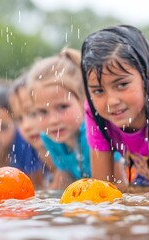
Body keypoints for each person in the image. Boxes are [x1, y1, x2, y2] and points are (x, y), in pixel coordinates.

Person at [81, 25, 149, 192]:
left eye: (122, 84)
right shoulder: (95, 111)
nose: (111, 101)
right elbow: (101, 192)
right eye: (98, 90)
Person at [27, 48, 126, 190]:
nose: (53, 120)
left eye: (62, 107)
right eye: (42, 111)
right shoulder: (49, 137)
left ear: (85, 100)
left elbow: (121, 184)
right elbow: (65, 177)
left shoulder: (94, 132)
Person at [9, 73, 57, 189]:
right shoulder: (29, 151)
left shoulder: (72, 148)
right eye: (19, 119)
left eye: (32, 113)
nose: (26, 126)